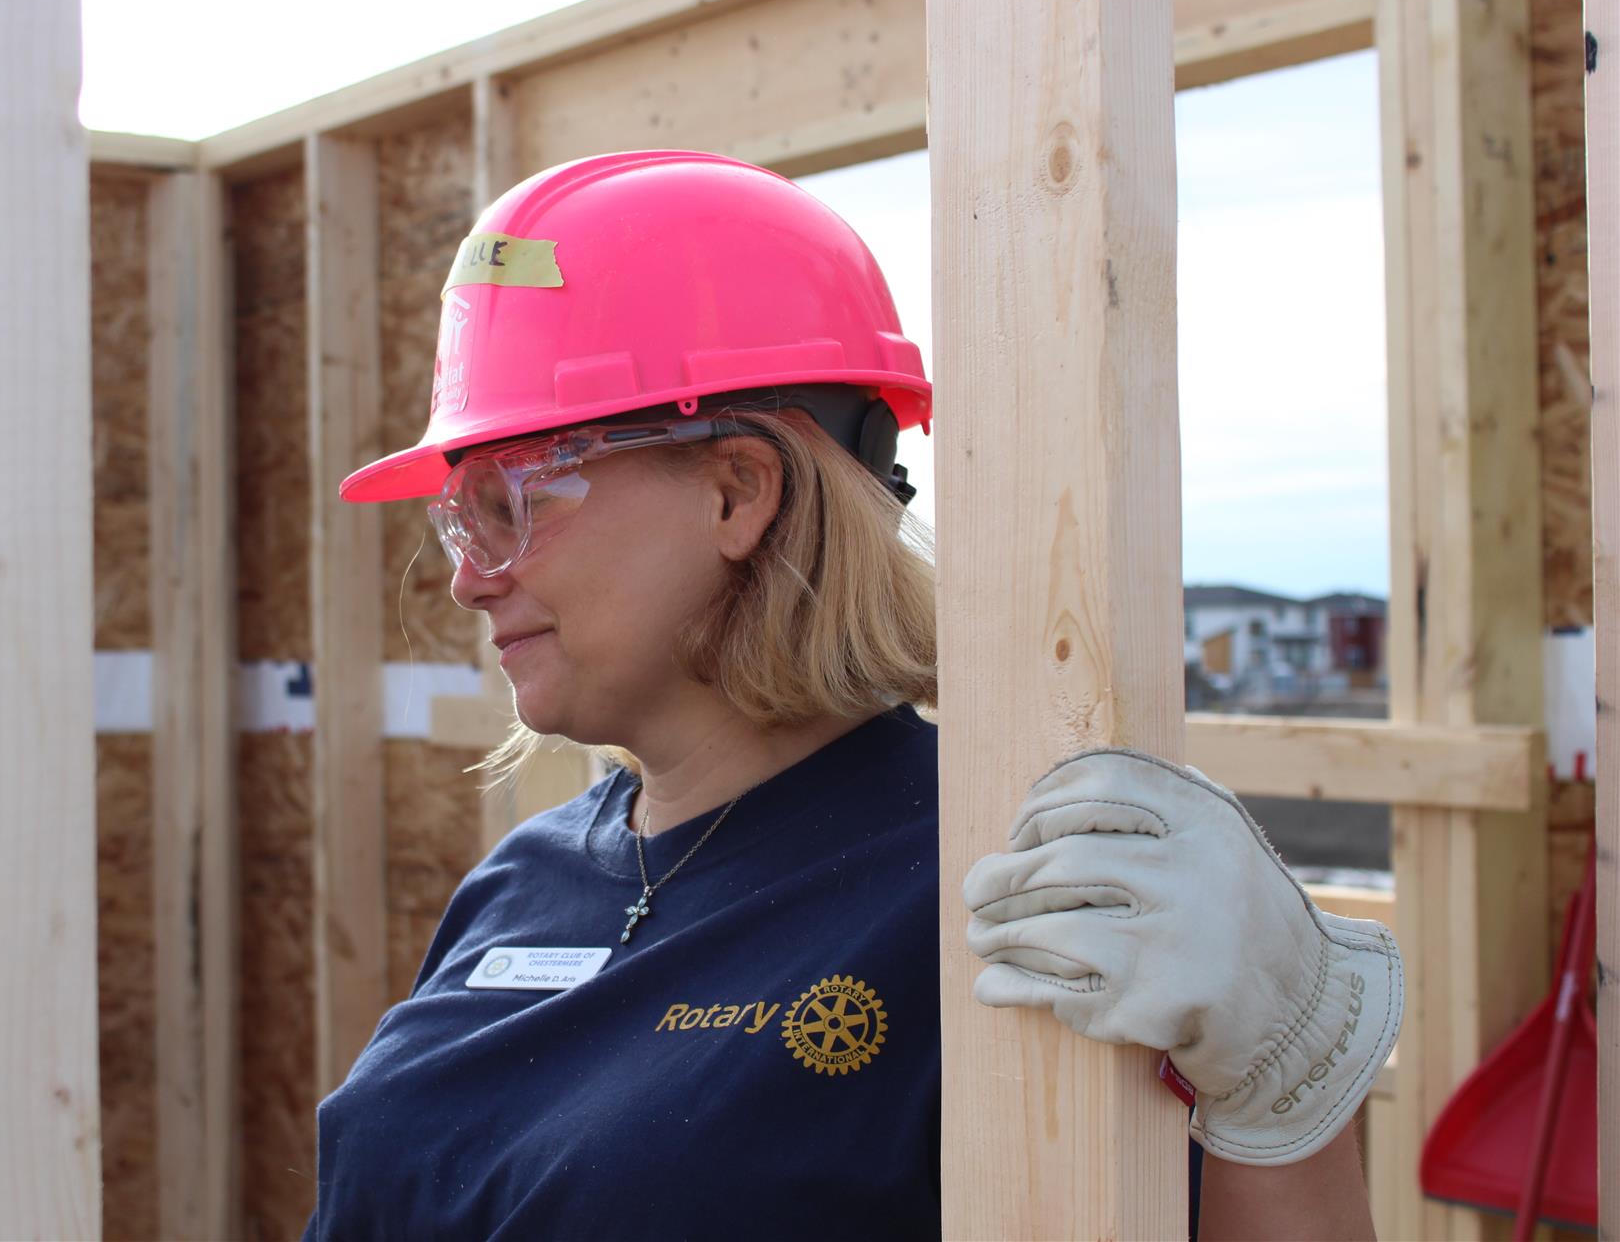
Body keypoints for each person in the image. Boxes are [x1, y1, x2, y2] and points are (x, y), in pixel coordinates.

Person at [303, 150, 1402, 1240]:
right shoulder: (519, 880)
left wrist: (1284, 1110)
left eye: (510, 501)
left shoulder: (995, 893)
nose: (467, 575)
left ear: (737, 491)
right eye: (458, 517)